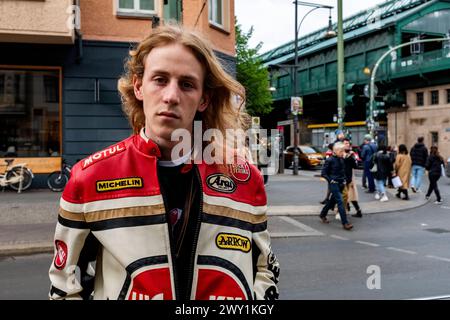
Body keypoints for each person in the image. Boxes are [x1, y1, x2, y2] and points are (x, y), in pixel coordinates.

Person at [48, 25, 280, 300]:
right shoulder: (88, 178)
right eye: (160, 79)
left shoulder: (245, 178)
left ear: (203, 99)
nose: (171, 96)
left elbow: (265, 270)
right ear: (138, 87)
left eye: (187, 84)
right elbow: (64, 284)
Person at [319, 142, 353, 230]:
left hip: (341, 183)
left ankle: (322, 214)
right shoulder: (329, 160)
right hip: (334, 184)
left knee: (331, 202)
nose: (343, 153)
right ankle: (345, 223)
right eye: (341, 151)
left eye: (343, 151)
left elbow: (343, 171)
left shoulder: (341, 159)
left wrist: (344, 180)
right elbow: (323, 173)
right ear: (336, 151)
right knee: (340, 201)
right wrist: (331, 180)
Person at [343, 138, 362, 217]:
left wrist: (351, 157)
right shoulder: (340, 154)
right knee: (345, 194)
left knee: (351, 194)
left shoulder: (351, 154)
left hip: (350, 177)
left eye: (348, 143)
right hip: (341, 177)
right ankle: (346, 208)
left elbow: (355, 166)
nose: (347, 144)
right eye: (345, 143)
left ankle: (358, 210)